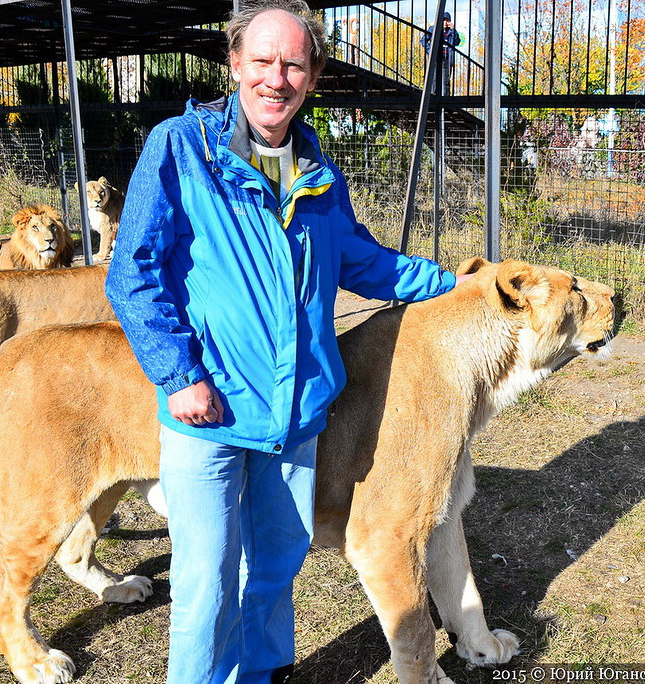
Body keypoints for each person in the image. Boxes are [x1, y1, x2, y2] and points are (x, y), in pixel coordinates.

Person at [105, 0, 466, 682]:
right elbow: (133, 274)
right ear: (235, 65)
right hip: (209, 411)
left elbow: (360, 261)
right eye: (263, 61)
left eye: (293, 63)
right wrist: (178, 374)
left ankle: (266, 671)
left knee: (273, 565)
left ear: (312, 75)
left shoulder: (318, 171)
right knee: (207, 585)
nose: (277, 77)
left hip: (295, 412)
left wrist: (456, 287)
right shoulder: (183, 147)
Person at [420, 11, 462, 95]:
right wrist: (430, 51)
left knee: (445, 81)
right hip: (435, 58)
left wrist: (453, 30)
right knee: (434, 79)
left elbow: (457, 42)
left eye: (447, 20)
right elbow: (423, 40)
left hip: (446, 58)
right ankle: (433, 96)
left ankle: (446, 99)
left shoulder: (451, 31)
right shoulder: (433, 29)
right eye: (444, 20)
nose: (445, 23)